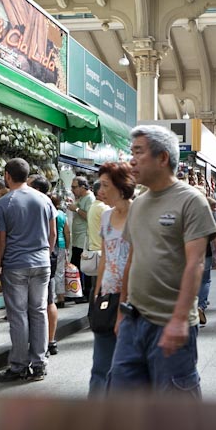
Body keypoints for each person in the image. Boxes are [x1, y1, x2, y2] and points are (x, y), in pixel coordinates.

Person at [108, 125, 216, 396]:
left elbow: (196, 264)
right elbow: (132, 258)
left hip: (172, 323)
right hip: (134, 322)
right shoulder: (139, 204)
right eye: (131, 152)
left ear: (162, 158)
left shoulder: (191, 201)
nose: (131, 160)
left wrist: (180, 319)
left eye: (139, 152)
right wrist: (123, 311)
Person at [0, 158, 57, 383]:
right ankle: (39, 365)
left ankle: (19, 366)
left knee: (18, 316)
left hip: (15, 265)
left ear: (7, 176)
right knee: (38, 312)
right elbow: (53, 235)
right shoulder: (45, 199)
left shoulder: (2, 204)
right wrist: (44, 256)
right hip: (42, 263)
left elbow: (1, 241)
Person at [88, 162, 134, 395]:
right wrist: (97, 293)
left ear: (121, 185)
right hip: (108, 295)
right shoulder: (106, 217)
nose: (100, 191)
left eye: (105, 185)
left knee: (127, 368)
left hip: (133, 299)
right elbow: (105, 256)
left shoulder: (138, 214)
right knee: (100, 365)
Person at [28, 175, 60, 355]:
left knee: (40, 303)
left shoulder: (38, 204)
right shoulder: (48, 204)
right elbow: (53, 234)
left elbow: (53, 234)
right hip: (46, 257)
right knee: (48, 300)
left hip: (39, 257)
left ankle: (41, 344)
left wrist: (45, 255)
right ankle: (50, 341)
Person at [197, 196, 216, 326]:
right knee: (205, 280)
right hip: (205, 251)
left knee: (193, 279)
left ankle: (193, 305)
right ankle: (200, 306)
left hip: (188, 251)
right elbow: (215, 235)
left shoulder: (186, 210)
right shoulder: (209, 214)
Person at [68, 175, 94, 300]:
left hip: (84, 239)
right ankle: (76, 292)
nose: (72, 190)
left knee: (82, 266)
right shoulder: (81, 198)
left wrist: (76, 208)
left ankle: (85, 293)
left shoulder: (90, 198)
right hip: (77, 238)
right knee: (75, 265)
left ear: (83, 187)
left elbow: (89, 216)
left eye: (74, 187)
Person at [86, 180, 108, 303]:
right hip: (101, 253)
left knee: (96, 288)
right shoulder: (103, 208)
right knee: (100, 289)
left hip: (95, 250)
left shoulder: (94, 206)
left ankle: (93, 316)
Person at [49, 193, 70, 309]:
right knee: (60, 271)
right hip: (61, 245)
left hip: (50, 244)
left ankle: (51, 297)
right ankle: (61, 297)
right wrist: (67, 246)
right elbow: (67, 232)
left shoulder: (47, 213)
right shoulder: (62, 214)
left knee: (50, 273)